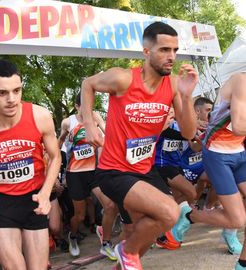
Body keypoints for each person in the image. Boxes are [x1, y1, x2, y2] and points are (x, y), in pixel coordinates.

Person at [81, 21, 198, 270]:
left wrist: (187, 98)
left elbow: (188, 133)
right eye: (165, 50)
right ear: (146, 52)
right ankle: (125, 249)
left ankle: (126, 255)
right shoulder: (122, 78)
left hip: (144, 170)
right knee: (169, 213)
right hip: (114, 170)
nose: (172, 57)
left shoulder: (175, 85)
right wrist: (90, 125)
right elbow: (87, 84)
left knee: (143, 233)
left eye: (175, 50)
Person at [0, 59, 61, 270]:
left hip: (33, 199)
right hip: (1, 204)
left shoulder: (40, 116)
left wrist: (45, 193)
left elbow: (55, 156)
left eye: (17, 90)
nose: (12, 99)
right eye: (2, 93)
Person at [170, 73, 246, 270]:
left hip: (239, 153)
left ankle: (242, 263)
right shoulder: (241, 80)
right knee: (237, 218)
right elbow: (238, 126)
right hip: (217, 154)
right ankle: (190, 215)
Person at [58, 93, 117, 260]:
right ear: (77, 107)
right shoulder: (68, 122)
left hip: (93, 171)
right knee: (80, 216)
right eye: (84, 106)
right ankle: (73, 236)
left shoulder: (95, 117)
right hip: (75, 174)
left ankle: (105, 243)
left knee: (110, 205)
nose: (88, 110)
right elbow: (59, 143)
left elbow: (109, 135)